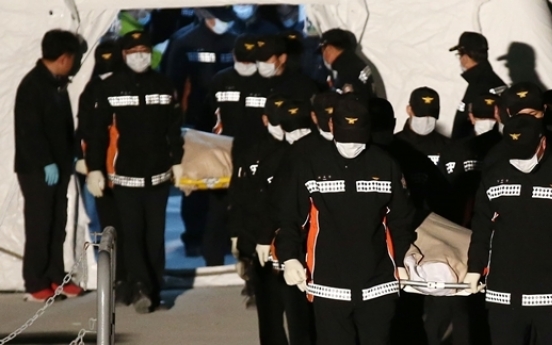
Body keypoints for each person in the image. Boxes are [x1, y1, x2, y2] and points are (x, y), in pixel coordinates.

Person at [276, 96, 415, 345]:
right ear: (331, 126)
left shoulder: (386, 165)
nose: (352, 145)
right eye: (345, 137)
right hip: (329, 282)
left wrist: (404, 257)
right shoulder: (310, 164)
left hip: (378, 280)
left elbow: (401, 219)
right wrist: (289, 257)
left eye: (358, 138)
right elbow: (290, 217)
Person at [85, 30, 184, 314]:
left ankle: (154, 287)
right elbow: (97, 133)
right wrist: (94, 168)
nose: (140, 56)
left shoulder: (164, 84)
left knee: (155, 235)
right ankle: (139, 286)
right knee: (132, 233)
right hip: (125, 175)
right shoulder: (110, 86)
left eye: (144, 50)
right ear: (124, 55)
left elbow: (173, 128)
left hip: (158, 175)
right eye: (133, 51)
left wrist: (176, 160)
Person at [230, 96, 315, 345]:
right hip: (265, 246)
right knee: (270, 316)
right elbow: (245, 200)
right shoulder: (259, 155)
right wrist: (242, 242)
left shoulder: (316, 155)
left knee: (303, 319)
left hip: (302, 247)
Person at [464, 114, 552, 345]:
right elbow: (482, 225)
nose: (520, 161)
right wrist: (475, 267)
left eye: (526, 153)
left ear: (543, 142)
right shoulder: (494, 175)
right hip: (503, 293)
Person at [14, 29, 83, 302]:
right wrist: (46, 162)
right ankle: (35, 281)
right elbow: (30, 131)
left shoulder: (57, 83)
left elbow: (63, 126)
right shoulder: (33, 86)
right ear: (65, 58)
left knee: (58, 224)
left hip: (60, 165)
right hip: (37, 169)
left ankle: (57, 276)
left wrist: (72, 154)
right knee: (40, 224)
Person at [74, 37, 132, 305]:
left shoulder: (125, 87)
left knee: (127, 226)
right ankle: (117, 279)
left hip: (126, 169)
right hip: (102, 171)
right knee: (107, 226)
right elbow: (86, 129)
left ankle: (129, 278)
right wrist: (85, 161)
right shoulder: (92, 90)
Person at [449, 31, 506, 140]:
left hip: (475, 151)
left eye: (459, 55)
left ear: (465, 57)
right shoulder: (491, 81)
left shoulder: (479, 85)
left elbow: (484, 128)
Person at [395, 87, 451, 167]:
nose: (426, 119)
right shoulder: (394, 145)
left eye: (431, 115)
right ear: (409, 110)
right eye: (420, 114)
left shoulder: (447, 146)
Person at [320, 28, 375, 101]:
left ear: (330, 48)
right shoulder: (355, 62)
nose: (323, 55)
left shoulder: (346, 71)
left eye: (323, 50)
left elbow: (347, 107)